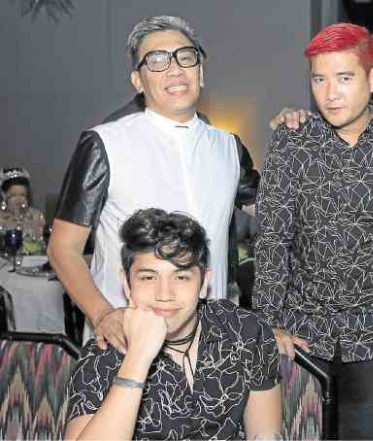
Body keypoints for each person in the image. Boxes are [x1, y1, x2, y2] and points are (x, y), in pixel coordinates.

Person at [253, 23, 373, 439]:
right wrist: (267, 325)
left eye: (344, 78)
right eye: (319, 79)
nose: (330, 93)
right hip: (301, 335)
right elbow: (273, 239)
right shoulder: (291, 144)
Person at [48, 16, 241, 353]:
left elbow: (280, 208)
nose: (175, 69)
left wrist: (295, 135)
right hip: (126, 343)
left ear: (201, 70)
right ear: (137, 80)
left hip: (209, 349)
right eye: (157, 60)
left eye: (186, 56)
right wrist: (103, 314)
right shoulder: (104, 144)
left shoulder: (229, 148)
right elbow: (62, 249)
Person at [64, 208, 281, 440]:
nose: (164, 294)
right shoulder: (104, 353)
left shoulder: (245, 331)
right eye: (148, 277)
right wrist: (137, 358)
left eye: (181, 277)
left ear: (204, 282)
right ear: (126, 284)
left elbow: (265, 433)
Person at [0, 167, 46, 248]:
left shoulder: (36, 215)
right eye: (13, 195)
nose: (18, 199)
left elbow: (41, 242)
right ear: (4, 195)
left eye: (22, 195)